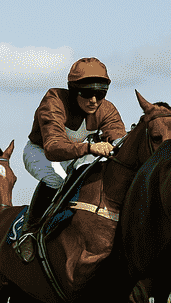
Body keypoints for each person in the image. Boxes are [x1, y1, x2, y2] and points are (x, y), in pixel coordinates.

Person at [15, 57, 126, 262]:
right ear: (74, 90)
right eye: (87, 93)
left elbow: (120, 140)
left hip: (75, 154)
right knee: (56, 181)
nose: (94, 100)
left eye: (100, 94)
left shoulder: (107, 109)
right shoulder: (53, 100)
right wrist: (90, 147)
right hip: (41, 152)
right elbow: (53, 148)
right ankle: (29, 232)